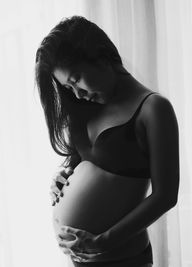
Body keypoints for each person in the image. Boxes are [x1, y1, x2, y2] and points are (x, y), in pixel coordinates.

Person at [35, 15, 180, 267]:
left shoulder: (154, 109)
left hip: (124, 259)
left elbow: (166, 196)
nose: (77, 93)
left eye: (76, 79)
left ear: (101, 56)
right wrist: (63, 179)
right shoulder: (85, 109)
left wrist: (103, 241)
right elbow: (86, 167)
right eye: (68, 88)